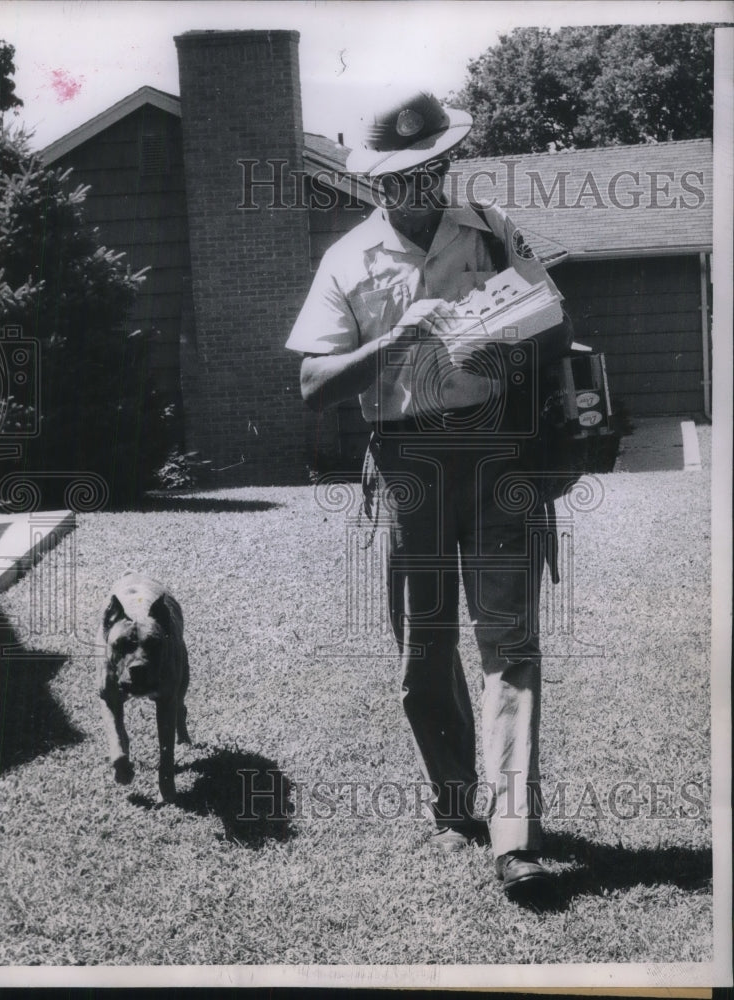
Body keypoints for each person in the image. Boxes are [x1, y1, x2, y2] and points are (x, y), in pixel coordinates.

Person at [286, 90, 572, 903]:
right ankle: (456, 794)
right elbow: (311, 384)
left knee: (509, 643)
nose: (429, 186)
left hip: (496, 455)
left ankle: (512, 833)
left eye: (438, 168)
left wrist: (507, 340)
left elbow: (553, 320)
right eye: (410, 176)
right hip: (407, 461)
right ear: (378, 182)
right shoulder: (345, 259)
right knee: (424, 648)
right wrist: (395, 337)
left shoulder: (489, 230)